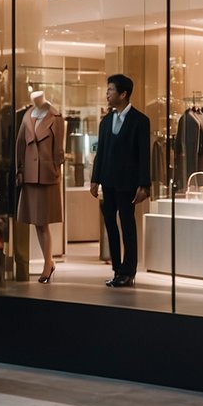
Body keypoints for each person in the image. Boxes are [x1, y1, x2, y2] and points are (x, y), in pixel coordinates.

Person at [90, 74, 151, 288]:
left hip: (128, 183)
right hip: (107, 181)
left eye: (111, 90)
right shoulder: (106, 121)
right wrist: (95, 179)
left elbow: (144, 155)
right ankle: (117, 269)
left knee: (127, 225)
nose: (107, 93)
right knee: (110, 225)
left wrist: (145, 184)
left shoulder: (140, 121)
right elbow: (101, 152)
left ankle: (129, 270)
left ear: (123, 94)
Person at [16, 90, 64, 283]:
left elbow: (59, 148)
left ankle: (47, 265)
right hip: (29, 175)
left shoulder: (56, 117)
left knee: (43, 222)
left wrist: (55, 171)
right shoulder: (28, 115)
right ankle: (49, 262)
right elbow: (20, 144)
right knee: (37, 222)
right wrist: (19, 170)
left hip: (46, 176)